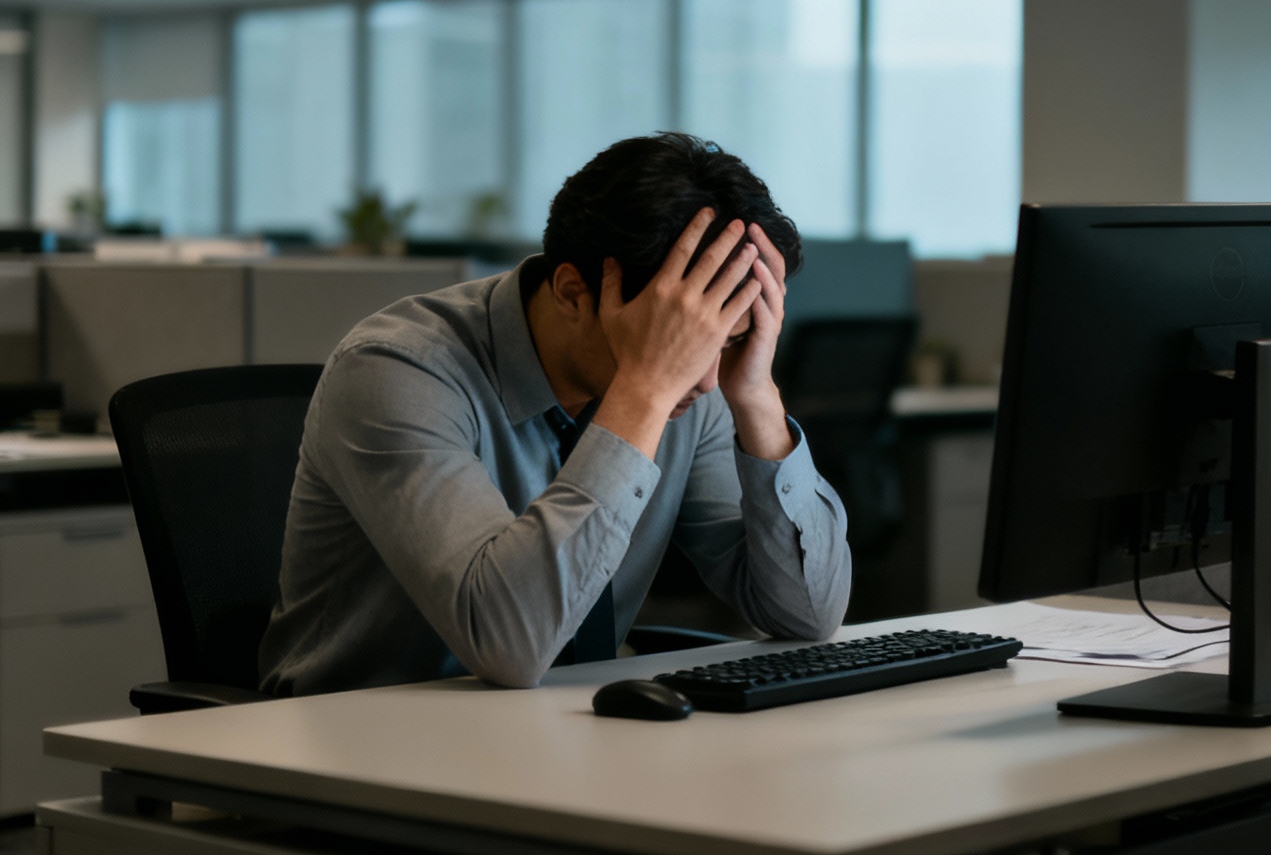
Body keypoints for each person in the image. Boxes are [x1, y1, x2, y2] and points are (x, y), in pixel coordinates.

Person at [259, 133, 851, 694]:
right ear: (572, 291)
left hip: (570, 732)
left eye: (721, 343)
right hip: (365, 746)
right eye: (679, 342)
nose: (701, 380)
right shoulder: (397, 370)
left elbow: (807, 615)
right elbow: (507, 642)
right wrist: (643, 391)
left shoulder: (700, 387)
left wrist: (758, 400)